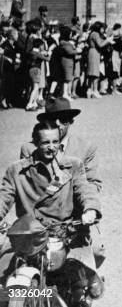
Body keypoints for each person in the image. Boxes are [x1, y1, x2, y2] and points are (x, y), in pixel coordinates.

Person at [0, 121, 103, 298]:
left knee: (80, 275)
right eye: (45, 143)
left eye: (55, 142)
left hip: (63, 232)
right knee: (3, 278)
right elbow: (4, 197)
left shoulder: (73, 166)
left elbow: (84, 189)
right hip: (29, 234)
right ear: (35, 143)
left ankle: (87, 284)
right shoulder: (16, 170)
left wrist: (90, 210)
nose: (51, 147)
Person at [87, 22, 113, 99]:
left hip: (93, 52)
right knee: (95, 73)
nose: (103, 30)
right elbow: (100, 44)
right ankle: (95, 91)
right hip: (94, 53)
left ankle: (90, 90)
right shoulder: (95, 34)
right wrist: (108, 40)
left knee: (91, 73)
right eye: (102, 28)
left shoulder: (93, 33)